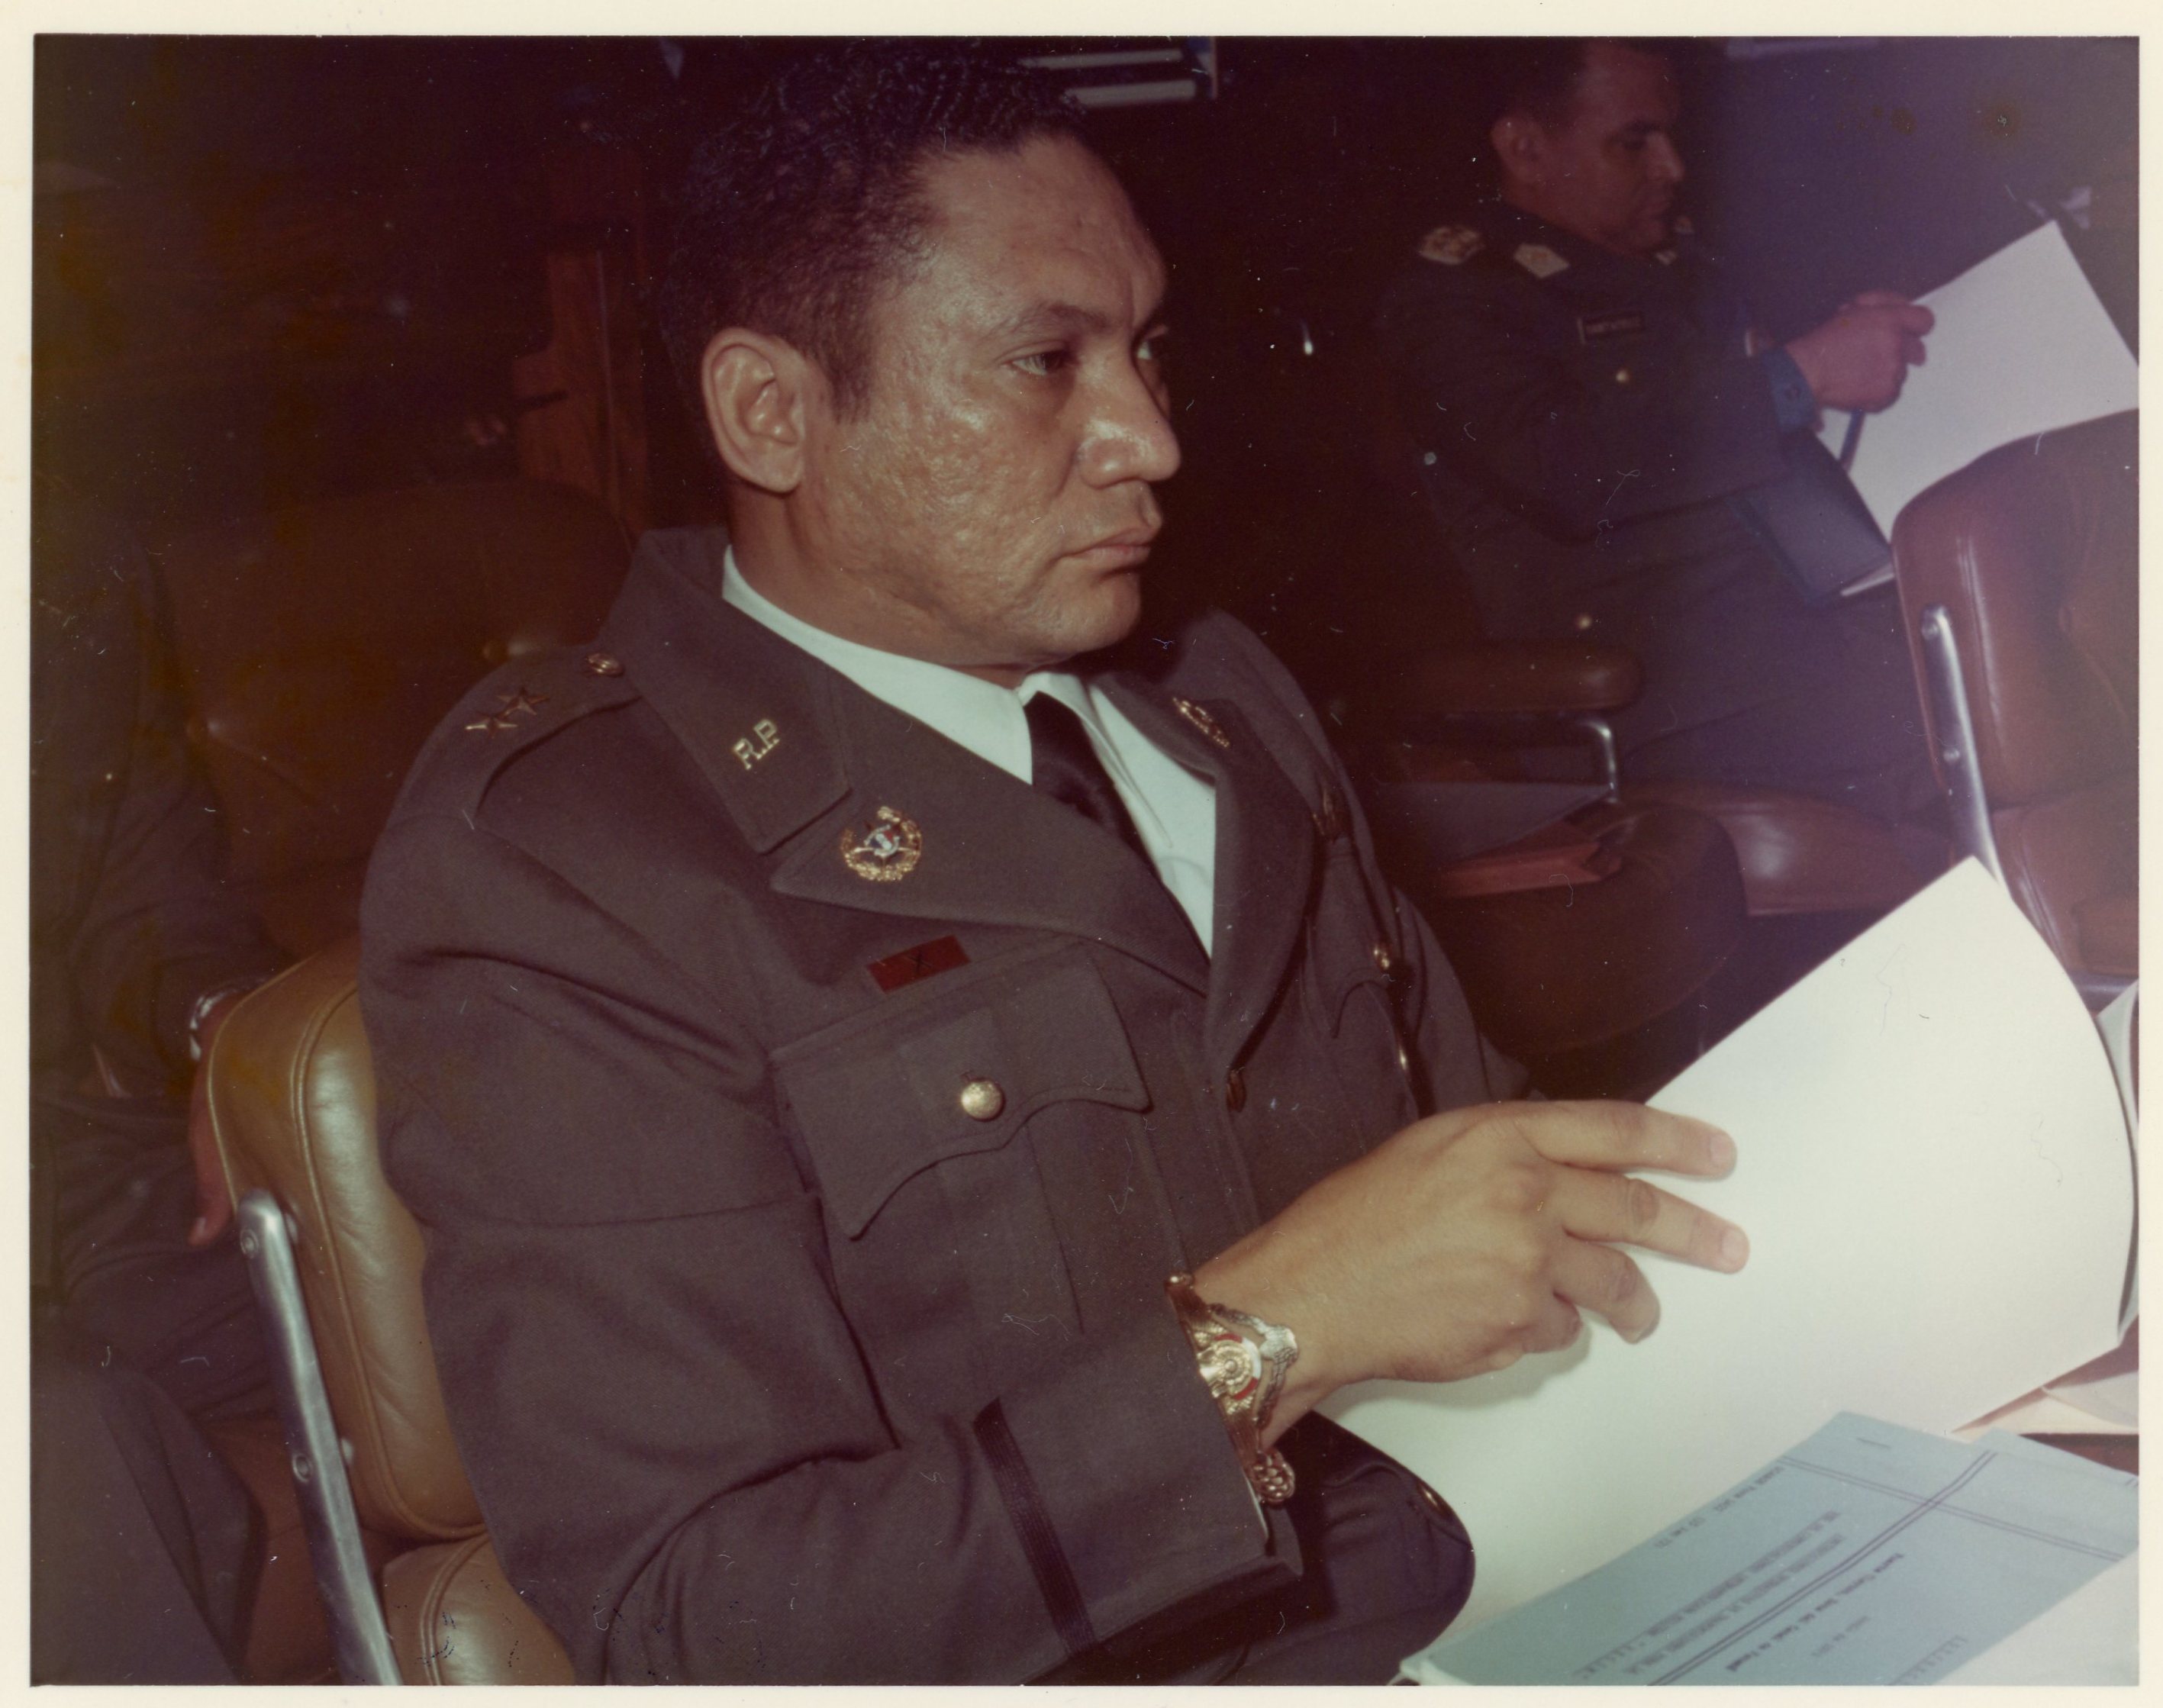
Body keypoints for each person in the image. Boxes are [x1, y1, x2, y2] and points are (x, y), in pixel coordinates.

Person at [359, 45, 1749, 1685]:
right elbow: (701, 1621)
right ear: (770, 412)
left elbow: (1507, 1203)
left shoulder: (1219, 698)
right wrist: (1263, 1336)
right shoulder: (573, 863)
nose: (1149, 439)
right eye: (1043, 361)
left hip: (1521, 1592)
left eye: (1146, 349)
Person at [1374, 38, 1939, 823]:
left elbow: (1717, 410)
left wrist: (1836, 351)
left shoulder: (1666, 261)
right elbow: (1564, 470)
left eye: (1670, 136)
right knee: (1979, 712)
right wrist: (1798, 375)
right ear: (1524, 146)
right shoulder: (1459, 297)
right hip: (1654, 688)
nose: (1670, 168)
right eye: (1632, 142)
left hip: (1792, 631)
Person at [31, 477, 285, 1681]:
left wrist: (218, 1021)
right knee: (50, 1448)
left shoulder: (63, 552)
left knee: (462, 1251)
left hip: (68, 1167)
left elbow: (142, 894)